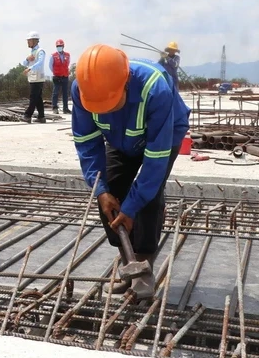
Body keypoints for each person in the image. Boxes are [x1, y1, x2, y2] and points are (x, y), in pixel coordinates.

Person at [70, 44, 190, 300]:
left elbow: (155, 160)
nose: (105, 110)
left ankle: (144, 265)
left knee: (148, 195)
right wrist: (100, 190)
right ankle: (128, 261)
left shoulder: (155, 86)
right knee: (110, 192)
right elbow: (87, 144)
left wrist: (133, 205)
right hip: (118, 138)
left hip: (162, 136)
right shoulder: (82, 90)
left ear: (125, 83)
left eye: (110, 103)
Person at [21, 32, 46, 123]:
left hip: (38, 78)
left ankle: (27, 115)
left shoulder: (40, 51)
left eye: (29, 40)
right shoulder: (32, 52)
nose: (28, 42)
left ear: (34, 41)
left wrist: (29, 69)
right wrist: (27, 59)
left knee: (33, 97)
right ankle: (41, 117)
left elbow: (40, 63)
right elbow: (24, 63)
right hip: (33, 78)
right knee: (38, 98)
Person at [48, 38, 71, 114]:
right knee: (55, 93)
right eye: (58, 46)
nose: (59, 47)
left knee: (65, 93)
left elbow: (68, 64)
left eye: (60, 46)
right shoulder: (53, 56)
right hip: (57, 77)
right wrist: (55, 72)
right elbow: (50, 65)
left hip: (65, 76)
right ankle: (54, 107)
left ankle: (65, 108)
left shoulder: (67, 55)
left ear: (63, 46)